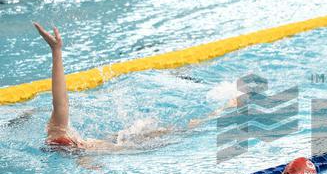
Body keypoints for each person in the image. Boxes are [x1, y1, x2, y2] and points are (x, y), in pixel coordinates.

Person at [34, 23, 235, 153]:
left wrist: (56, 51)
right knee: (179, 130)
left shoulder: (57, 132)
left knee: (182, 130)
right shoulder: (57, 133)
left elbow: (60, 101)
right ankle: (224, 108)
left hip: (125, 145)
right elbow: (60, 103)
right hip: (119, 145)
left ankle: (223, 109)